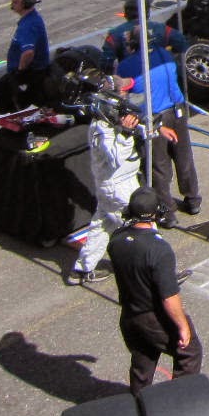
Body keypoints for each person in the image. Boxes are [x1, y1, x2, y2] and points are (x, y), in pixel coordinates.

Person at [108, 186, 202, 392]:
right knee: (190, 353)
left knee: (144, 360)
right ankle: (175, 405)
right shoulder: (159, 249)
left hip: (130, 315)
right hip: (154, 318)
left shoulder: (116, 239)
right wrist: (182, 326)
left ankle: (140, 405)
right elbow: (169, 297)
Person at [116, 23, 199, 224]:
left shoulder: (128, 65)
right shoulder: (165, 55)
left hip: (156, 118)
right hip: (178, 111)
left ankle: (167, 212)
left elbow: (123, 94)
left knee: (159, 167)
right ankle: (193, 199)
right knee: (184, 157)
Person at [69, 73, 144, 285]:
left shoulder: (109, 122)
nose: (126, 97)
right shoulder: (103, 128)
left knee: (101, 226)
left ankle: (82, 270)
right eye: (123, 93)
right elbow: (116, 159)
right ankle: (154, 272)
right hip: (118, 186)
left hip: (116, 184)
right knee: (143, 227)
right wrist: (127, 134)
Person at [0, 0, 50, 113]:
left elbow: (28, 52)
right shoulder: (32, 19)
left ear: (25, 4)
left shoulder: (28, 25)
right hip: (34, 71)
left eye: (16, 2)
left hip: (31, 73)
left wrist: (20, 72)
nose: (12, 4)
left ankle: (12, 120)